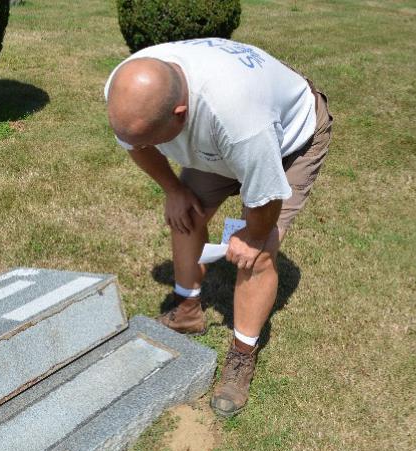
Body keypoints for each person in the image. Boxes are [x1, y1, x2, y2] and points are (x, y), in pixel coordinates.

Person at [104, 38, 333, 417]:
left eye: (151, 139)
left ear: (180, 115)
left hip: (289, 144)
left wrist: (255, 235)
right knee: (186, 216)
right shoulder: (128, 91)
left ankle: (242, 356)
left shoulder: (241, 121)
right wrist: (173, 189)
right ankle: (188, 311)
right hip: (220, 136)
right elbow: (135, 144)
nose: (140, 146)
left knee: (255, 256)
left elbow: (265, 198)